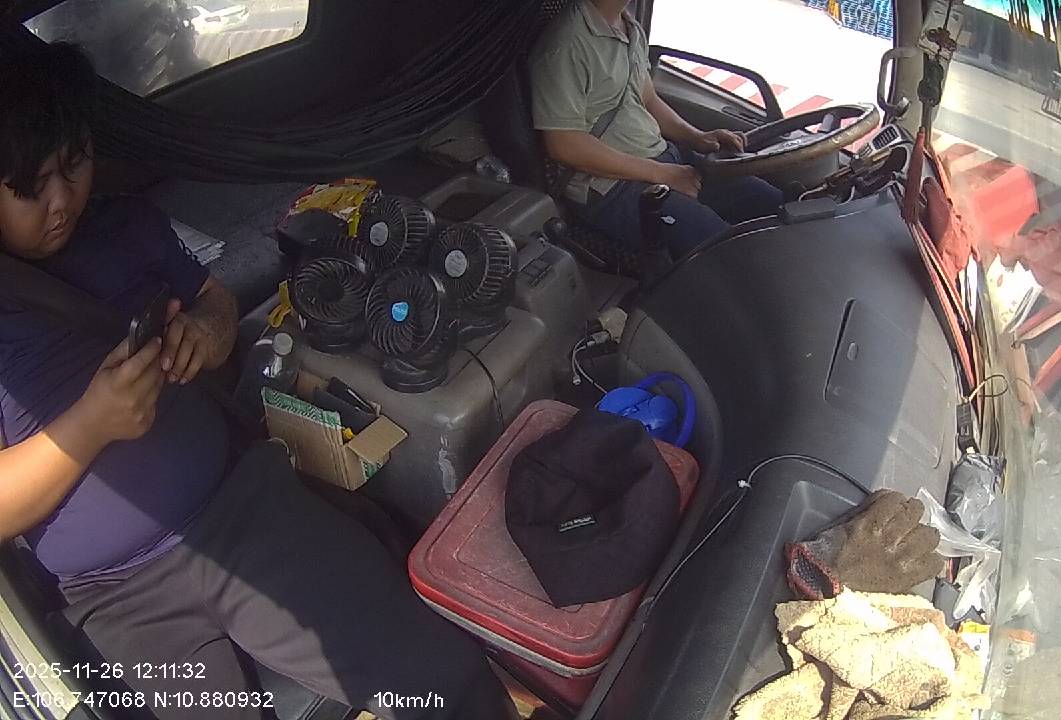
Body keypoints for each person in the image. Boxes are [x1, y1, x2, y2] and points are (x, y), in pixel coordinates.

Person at [0, 43, 514, 720]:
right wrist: (92, 424)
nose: (62, 201)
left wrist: (208, 330)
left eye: (75, 165)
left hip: (241, 506)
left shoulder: (126, 225)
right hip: (119, 595)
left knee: (441, 680)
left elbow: (213, 300)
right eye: (30, 187)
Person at [530, 0, 785, 259]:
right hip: (609, 186)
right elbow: (564, 144)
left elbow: (647, 98)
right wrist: (661, 173)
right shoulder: (566, 44)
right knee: (727, 252)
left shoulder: (629, 26)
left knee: (772, 203)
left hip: (662, 157)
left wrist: (697, 137)